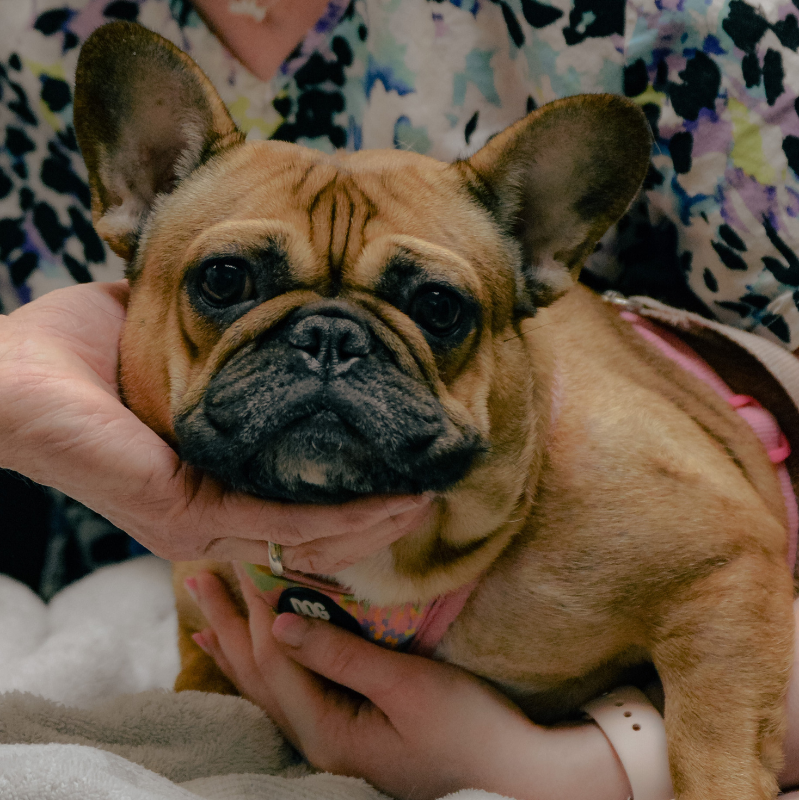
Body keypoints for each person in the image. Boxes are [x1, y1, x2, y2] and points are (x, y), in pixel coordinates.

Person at [0, 0, 797, 796]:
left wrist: (600, 768)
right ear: (137, 198)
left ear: (538, 259)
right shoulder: (32, 23)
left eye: (436, 309)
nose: (327, 355)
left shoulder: (595, 496)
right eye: (229, 283)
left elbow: (726, 574)